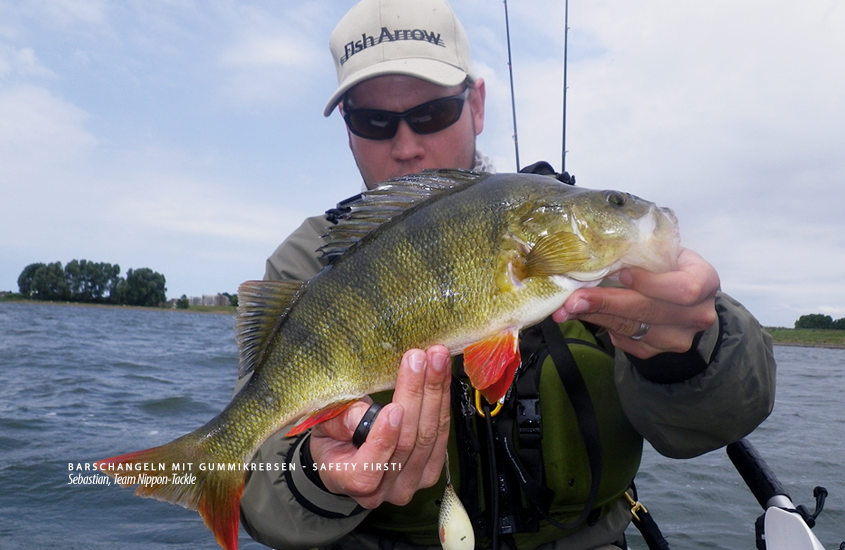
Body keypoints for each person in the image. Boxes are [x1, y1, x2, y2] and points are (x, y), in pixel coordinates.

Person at [238, 0, 776, 549]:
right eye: (373, 122)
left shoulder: (594, 255)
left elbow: (722, 419)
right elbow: (257, 491)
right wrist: (318, 476)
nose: (406, 146)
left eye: (430, 114)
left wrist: (689, 348)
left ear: (476, 105)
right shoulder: (308, 265)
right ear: (347, 130)